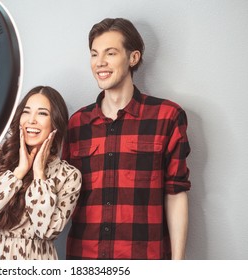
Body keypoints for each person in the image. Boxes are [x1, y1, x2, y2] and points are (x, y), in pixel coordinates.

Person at [63, 18, 191, 260]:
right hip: (84, 259)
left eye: (110, 53)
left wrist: (178, 265)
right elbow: (65, 195)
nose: (99, 62)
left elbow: (176, 192)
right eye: (94, 54)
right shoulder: (77, 123)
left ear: (133, 58)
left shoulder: (167, 117)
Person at [0, 86, 81, 260]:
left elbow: (47, 231)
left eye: (42, 113)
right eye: (26, 112)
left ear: (55, 122)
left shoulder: (68, 176)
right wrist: (19, 173)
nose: (32, 120)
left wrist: (39, 175)